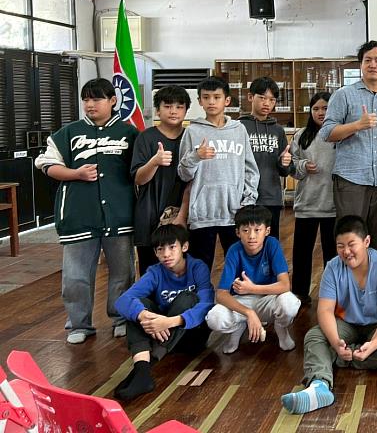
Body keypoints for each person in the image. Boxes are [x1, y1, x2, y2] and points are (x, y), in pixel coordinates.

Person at [35, 78, 138, 344]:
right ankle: (79, 324)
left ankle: (121, 318)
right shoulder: (69, 133)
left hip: (119, 215)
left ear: (112, 101)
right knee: (76, 276)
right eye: (86, 99)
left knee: (122, 272)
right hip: (78, 216)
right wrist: (76, 174)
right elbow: (47, 165)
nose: (90, 104)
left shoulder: (129, 133)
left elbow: (139, 170)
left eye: (97, 99)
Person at [280, 215, 377, 415]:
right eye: (340, 246)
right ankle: (319, 385)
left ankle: (337, 357)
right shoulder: (333, 267)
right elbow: (325, 310)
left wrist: (373, 344)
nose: (346, 252)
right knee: (314, 336)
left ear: (366, 241)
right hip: (346, 323)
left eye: (351, 244)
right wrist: (335, 342)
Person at [113, 224, 213, 400]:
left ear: (184, 247)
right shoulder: (155, 272)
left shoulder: (198, 268)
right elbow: (122, 300)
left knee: (188, 298)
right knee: (137, 306)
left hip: (191, 337)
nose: (166, 254)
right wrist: (143, 314)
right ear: (155, 252)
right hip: (162, 334)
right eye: (160, 249)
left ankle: (143, 369)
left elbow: (206, 304)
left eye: (172, 247)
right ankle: (142, 371)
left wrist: (170, 322)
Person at [320, 41, 377, 259]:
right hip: (351, 179)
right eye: (368, 60)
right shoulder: (344, 95)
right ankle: (349, 281)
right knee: (350, 240)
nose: (373, 64)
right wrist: (357, 125)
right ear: (361, 64)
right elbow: (326, 133)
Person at [177, 76, 259, 272]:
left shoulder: (239, 130)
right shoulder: (192, 131)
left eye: (216, 97)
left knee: (238, 268)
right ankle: (200, 293)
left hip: (234, 212)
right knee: (200, 268)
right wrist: (196, 156)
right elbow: (183, 174)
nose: (211, 102)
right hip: (202, 213)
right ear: (200, 101)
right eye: (206, 97)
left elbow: (250, 169)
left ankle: (236, 293)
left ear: (227, 100)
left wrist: (248, 200)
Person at [205, 205, 300, 354]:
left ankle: (281, 328)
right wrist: (249, 313)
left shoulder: (272, 244)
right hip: (242, 301)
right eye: (245, 230)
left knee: (289, 303)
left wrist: (252, 288)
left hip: (269, 298)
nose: (251, 236)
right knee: (214, 318)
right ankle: (238, 327)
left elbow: (285, 285)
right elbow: (221, 294)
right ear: (238, 232)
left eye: (257, 230)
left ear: (267, 231)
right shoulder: (234, 250)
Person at [131, 85, 191, 275]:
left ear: (186, 111)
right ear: (157, 110)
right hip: (149, 214)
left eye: (179, 106)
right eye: (167, 106)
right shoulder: (145, 137)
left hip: (184, 214)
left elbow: (196, 180)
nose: (173, 111)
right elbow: (139, 179)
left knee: (183, 270)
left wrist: (182, 214)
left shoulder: (191, 137)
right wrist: (154, 162)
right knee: (150, 270)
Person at [290, 92, 337, 302]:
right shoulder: (301, 135)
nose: (320, 112)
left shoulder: (338, 134)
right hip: (307, 203)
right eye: (316, 108)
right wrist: (302, 165)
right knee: (302, 252)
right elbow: (292, 167)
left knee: (332, 254)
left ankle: (331, 293)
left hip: (332, 204)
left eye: (325, 108)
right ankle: (300, 292)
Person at [240, 76, 293, 240]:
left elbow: (285, 171)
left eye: (272, 100)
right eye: (262, 98)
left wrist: (285, 163)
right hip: (245, 197)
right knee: (247, 242)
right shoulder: (239, 127)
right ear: (250, 97)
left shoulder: (278, 130)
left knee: (270, 242)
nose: (267, 103)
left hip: (271, 197)